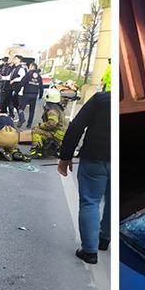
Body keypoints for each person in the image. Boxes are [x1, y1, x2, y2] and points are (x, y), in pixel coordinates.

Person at [58, 91, 111, 265]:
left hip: (95, 156)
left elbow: (76, 127)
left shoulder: (102, 99)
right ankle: (104, 239)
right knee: (112, 201)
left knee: (90, 201)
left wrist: (65, 157)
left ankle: (89, 251)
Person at [19, 62, 44, 127]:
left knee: (21, 108)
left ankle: (22, 118)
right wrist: (40, 95)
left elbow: (21, 83)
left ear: (32, 67)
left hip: (26, 94)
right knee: (32, 110)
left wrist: (16, 91)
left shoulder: (28, 74)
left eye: (29, 66)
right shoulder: (39, 76)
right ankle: (29, 124)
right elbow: (41, 87)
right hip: (34, 95)